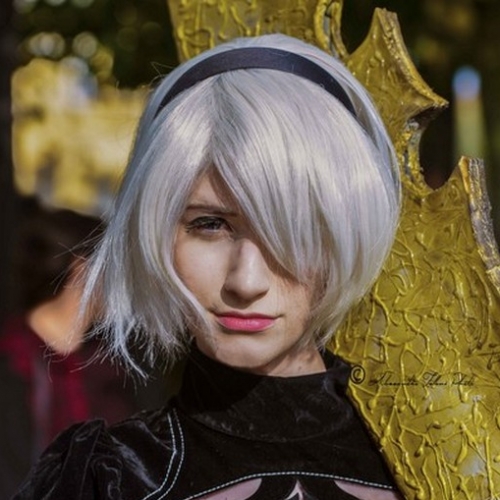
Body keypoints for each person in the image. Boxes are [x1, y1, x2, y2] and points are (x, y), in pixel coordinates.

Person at [14, 33, 402, 499]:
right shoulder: (104, 480)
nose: (246, 281)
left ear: (348, 234)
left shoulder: (443, 459)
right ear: (159, 231)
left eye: (290, 229)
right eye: (209, 224)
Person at [0, 199, 169, 498]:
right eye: (110, 265)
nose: (119, 281)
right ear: (81, 269)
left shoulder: (118, 364)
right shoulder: (11, 363)